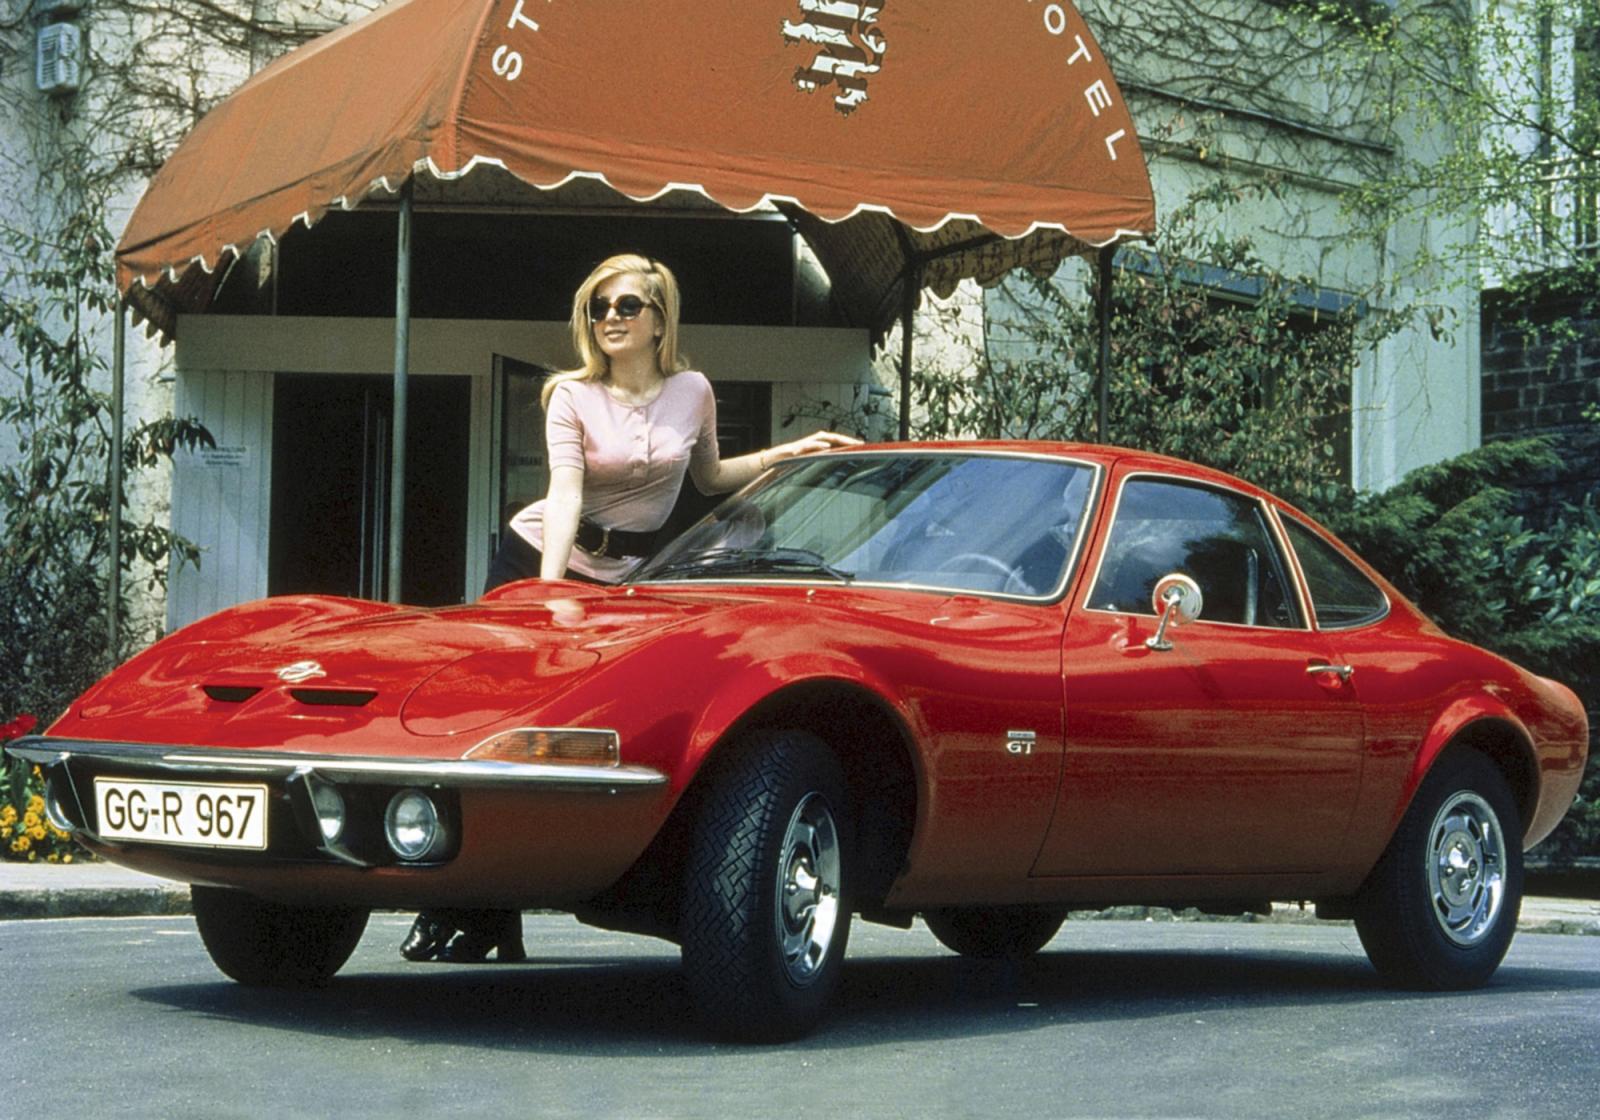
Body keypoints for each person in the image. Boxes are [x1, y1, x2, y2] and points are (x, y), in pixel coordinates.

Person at [401, 253, 860, 963]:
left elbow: (711, 475)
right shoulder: (570, 396)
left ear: (658, 320)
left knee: (580, 726)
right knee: (501, 721)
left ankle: (536, 883)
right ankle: (472, 908)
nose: (609, 319)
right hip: (544, 557)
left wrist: (789, 453)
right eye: (597, 308)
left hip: (625, 577)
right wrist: (549, 593)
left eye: (625, 306)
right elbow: (564, 494)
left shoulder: (693, 391)